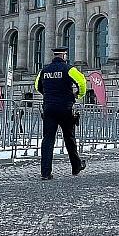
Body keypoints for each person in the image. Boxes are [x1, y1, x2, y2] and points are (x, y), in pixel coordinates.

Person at [34, 47, 88, 180]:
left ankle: (45, 172)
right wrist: (78, 95)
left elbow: (37, 86)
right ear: (64, 56)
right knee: (69, 138)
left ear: (54, 56)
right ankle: (76, 166)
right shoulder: (69, 69)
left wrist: (48, 95)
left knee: (48, 139)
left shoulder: (44, 70)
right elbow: (82, 82)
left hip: (49, 108)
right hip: (65, 108)